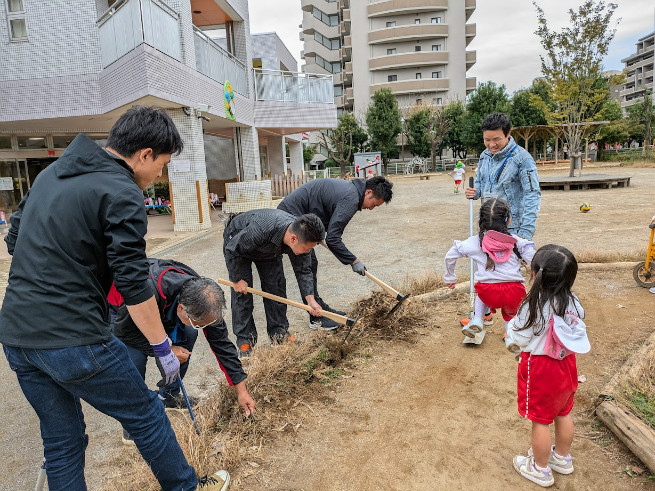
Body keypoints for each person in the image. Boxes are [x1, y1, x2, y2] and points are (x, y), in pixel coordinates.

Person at [0, 106, 228, 490]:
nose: (160, 174)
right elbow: (133, 283)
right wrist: (162, 348)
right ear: (144, 154)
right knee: (146, 413)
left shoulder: (49, 175)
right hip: (73, 337)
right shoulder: (122, 191)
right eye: (162, 164)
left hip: (18, 337)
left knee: (63, 441)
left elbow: (13, 240)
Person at [112, 258, 255, 444]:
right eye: (199, 324)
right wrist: (165, 350)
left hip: (161, 306)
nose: (202, 327)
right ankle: (133, 423)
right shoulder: (149, 289)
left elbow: (222, 344)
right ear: (181, 308)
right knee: (133, 357)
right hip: (123, 313)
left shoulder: (204, 297)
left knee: (189, 332)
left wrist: (241, 390)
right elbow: (124, 332)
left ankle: (169, 395)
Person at [505, 244, 590, 488]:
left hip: (541, 369)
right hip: (567, 365)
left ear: (535, 274)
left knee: (540, 420)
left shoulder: (532, 306)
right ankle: (562, 458)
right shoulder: (572, 301)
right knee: (563, 413)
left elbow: (519, 338)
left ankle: (540, 469)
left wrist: (511, 328)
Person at [277, 176, 393, 329]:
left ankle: (319, 306)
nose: (371, 209)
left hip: (299, 214)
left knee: (312, 263)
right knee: (306, 266)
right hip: (291, 215)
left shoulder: (352, 191)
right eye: (374, 204)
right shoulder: (351, 199)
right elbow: (333, 238)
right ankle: (316, 318)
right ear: (368, 192)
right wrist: (353, 261)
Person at [463, 112, 541, 328]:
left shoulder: (522, 158)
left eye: (496, 139)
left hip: (511, 227)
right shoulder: (484, 156)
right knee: (486, 267)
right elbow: (481, 184)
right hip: (486, 225)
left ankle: (516, 322)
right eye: (487, 139)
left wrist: (525, 232)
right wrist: (474, 192)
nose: (491, 144)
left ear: (508, 134)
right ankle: (484, 313)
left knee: (509, 274)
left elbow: (533, 194)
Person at [224, 209, 325, 356]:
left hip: (270, 249)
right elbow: (232, 249)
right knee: (243, 294)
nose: (307, 252)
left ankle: (279, 334)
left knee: (276, 288)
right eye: (306, 248)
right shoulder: (260, 229)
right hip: (239, 246)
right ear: (293, 239)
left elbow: (304, 270)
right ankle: (245, 341)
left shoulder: (301, 237)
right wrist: (237, 278)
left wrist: (310, 300)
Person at [443, 198, 536, 338]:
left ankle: (478, 319)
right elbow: (536, 261)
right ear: (508, 220)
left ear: (480, 221)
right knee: (511, 317)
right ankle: (511, 337)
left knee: (481, 292)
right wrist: (535, 273)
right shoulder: (518, 242)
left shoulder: (474, 242)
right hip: (514, 292)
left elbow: (450, 255)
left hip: (488, 293)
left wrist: (450, 277)